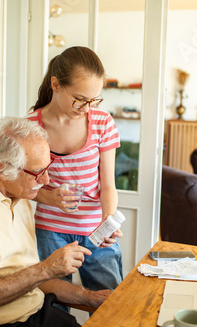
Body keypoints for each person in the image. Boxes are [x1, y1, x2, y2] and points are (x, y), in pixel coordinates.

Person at [0, 117, 111, 327]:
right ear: (0, 169)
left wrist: (89, 297)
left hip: (31, 312)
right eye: (37, 173)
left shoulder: (19, 195)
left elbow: (28, 276)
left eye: (47, 167)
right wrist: (46, 269)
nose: (46, 181)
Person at [25, 46, 123, 302]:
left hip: (96, 232)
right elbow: (20, 186)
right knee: (53, 308)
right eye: (79, 99)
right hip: (49, 232)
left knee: (110, 304)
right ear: (56, 85)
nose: (86, 108)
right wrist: (50, 199)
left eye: (94, 100)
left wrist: (108, 221)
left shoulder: (102, 122)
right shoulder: (29, 127)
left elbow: (108, 185)